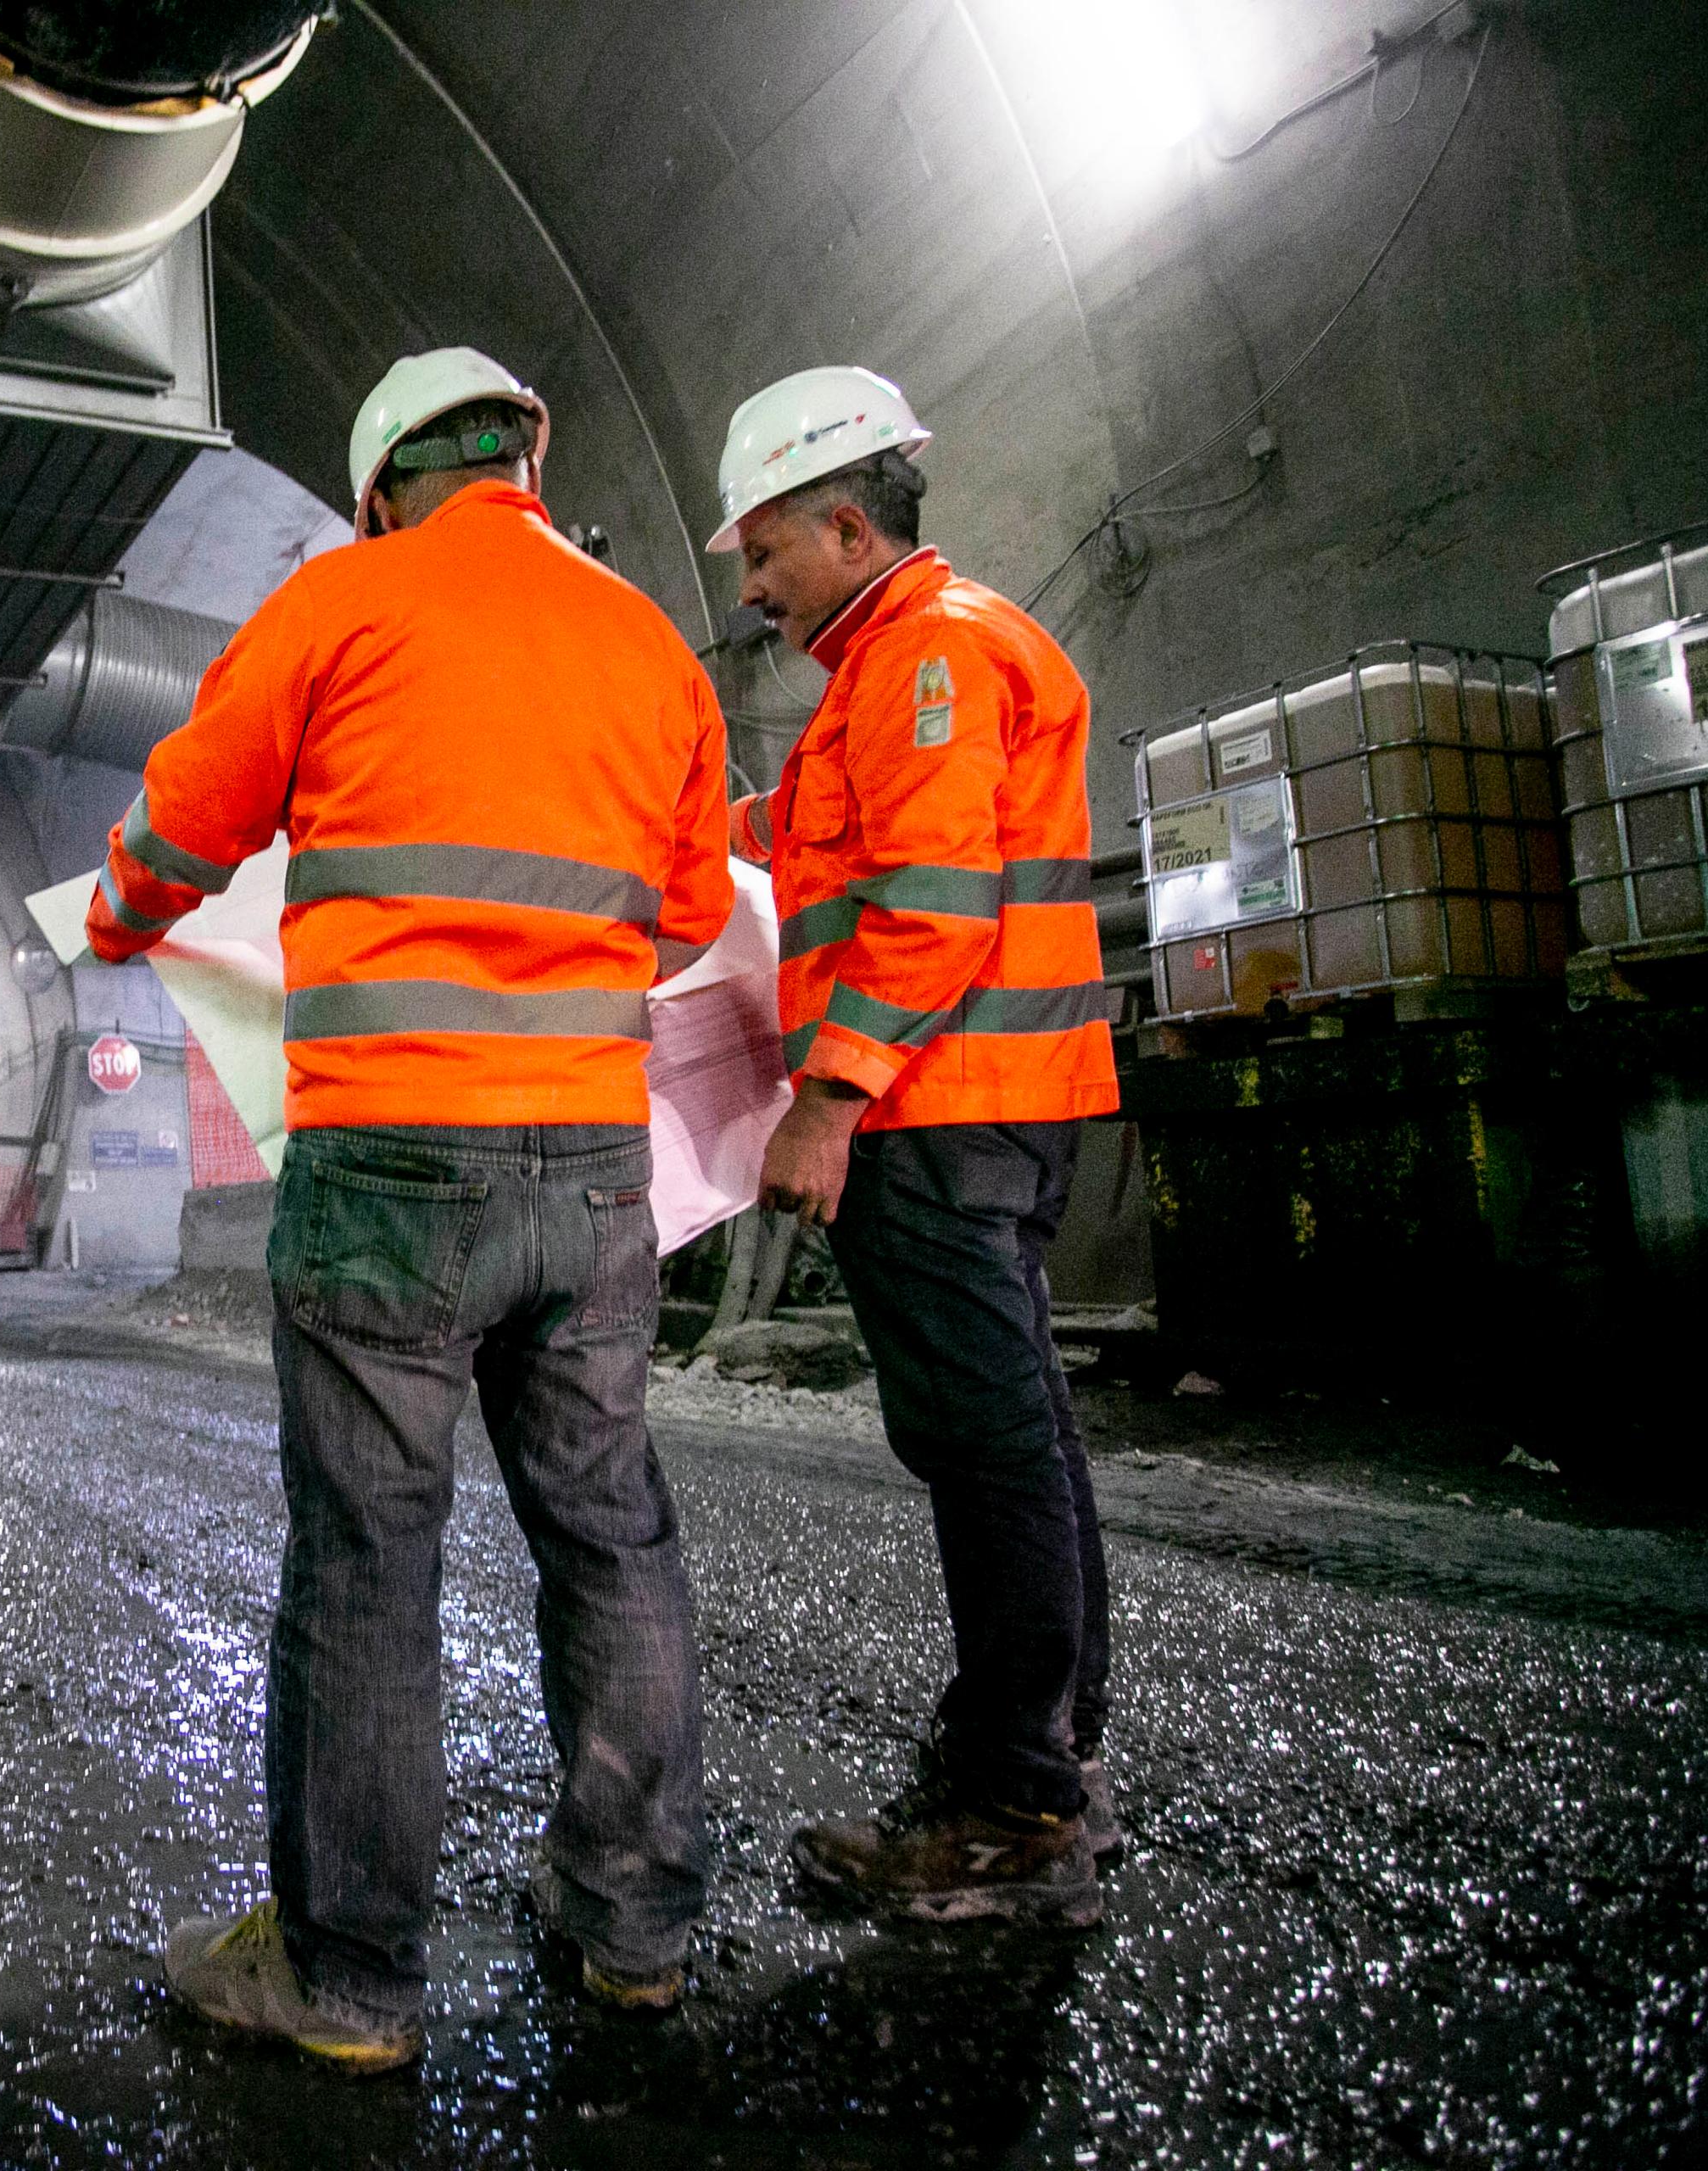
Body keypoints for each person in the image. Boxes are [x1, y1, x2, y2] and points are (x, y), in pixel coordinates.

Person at [87, 348, 736, 2068]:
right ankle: (636, 1927)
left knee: (371, 1561)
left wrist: (115, 910)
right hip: (592, 1169)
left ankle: (356, 1975)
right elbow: (681, 913)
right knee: (611, 1534)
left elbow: (186, 818)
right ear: (529, 460)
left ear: (382, 486)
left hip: (389, 1164)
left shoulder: (338, 606)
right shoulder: (653, 643)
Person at [711, 366, 1122, 1927]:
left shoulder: (927, 658)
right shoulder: (901, 665)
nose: (751, 590)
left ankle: (1016, 1813)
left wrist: (828, 1101)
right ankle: (1047, 1754)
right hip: (983, 1107)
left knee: (985, 1445)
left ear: (844, 519)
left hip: (942, 1111)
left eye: (763, 554)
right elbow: (831, 837)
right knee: (1019, 1433)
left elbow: (935, 908)